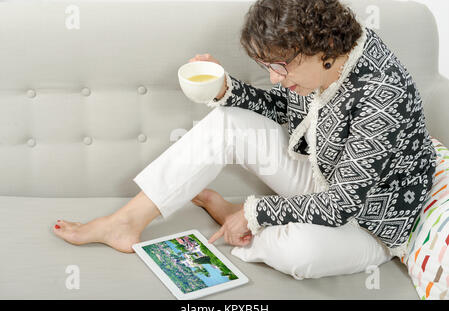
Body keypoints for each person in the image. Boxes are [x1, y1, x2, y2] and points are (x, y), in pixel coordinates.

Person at [53, 0, 436, 279]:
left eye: (278, 67)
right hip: (321, 175)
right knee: (227, 121)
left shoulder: (382, 94)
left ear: (320, 48)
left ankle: (238, 220)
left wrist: (254, 212)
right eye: (267, 67)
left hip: (368, 222)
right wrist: (224, 90)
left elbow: (341, 206)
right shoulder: (325, 61)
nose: (273, 77)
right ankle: (126, 222)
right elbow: (289, 111)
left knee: (302, 253)